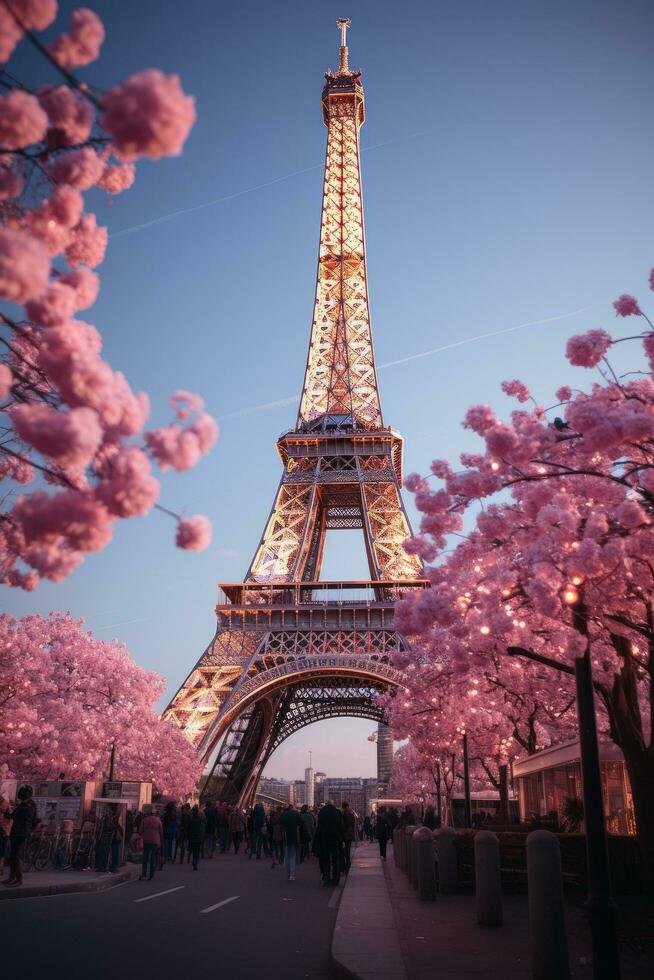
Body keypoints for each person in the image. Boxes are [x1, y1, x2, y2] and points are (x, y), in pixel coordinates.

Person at [2, 786, 35, 887]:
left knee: (16, 857)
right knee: (13, 856)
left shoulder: (28, 806)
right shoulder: (25, 805)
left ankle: (19, 879)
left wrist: (7, 811)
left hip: (22, 833)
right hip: (16, 832)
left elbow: (12, 816)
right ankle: (12, 877)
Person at [315, 800, 343, 886]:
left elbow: (319, 827)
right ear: (333, 804)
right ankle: (336, 879)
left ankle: (326, 878)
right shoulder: (337, 812)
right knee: (335, 859)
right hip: (335, 839)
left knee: (325, 859)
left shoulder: (322, 812)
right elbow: (341, 826)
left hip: (324, 839)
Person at [140, 805, 163, 881]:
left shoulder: (144, 820)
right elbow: (161, 831)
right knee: (153, 858)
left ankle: (144, 873)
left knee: (145, 858)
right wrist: (160, 840)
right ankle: (151, 874)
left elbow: (140, 830)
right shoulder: (158, 820)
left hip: (146, 840)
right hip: (155, 840)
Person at [280, 804, 302, 882]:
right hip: (295, 837)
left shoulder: (284, 815)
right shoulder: (296, 814)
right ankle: (292, 874)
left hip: (286, 837)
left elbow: (281, 823)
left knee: (287, 855)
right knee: (293, 856)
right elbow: (301, 824)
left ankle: (289, 873)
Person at [188, 804, 206, 870]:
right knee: (197, 851)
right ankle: (195, 862)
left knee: (193, 850)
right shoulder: (200, 820)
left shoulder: (191, 820)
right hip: (198, 837)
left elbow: (188, 828)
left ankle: (194, 860)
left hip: (192, 837)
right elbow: (202, 829)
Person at [341, 801, 356, 874]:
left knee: (342, 850)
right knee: (348, 850)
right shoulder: (351, 814)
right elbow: (353, 823)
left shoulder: (341, 814)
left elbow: (341, 825)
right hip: (349, 834)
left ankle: (344, 865)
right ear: (347, 806)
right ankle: (348, 864)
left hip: (343, 834)